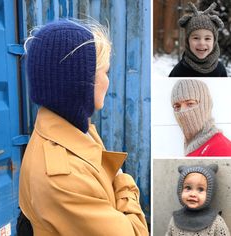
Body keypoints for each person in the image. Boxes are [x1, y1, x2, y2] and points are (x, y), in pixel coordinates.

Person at [19, 19, 149, 236]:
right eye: (105, 72)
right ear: (79, 83)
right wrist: (123, 181)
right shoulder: (63, 177)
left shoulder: (75, 130)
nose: (108, 82)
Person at [166, 164, 230, 236]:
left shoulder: (216, 221)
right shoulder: (175, 220)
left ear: (210, 192)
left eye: (200, 189)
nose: (193, 194)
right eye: (188, 188)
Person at [171, 79, 231, 156]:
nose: (182, 111)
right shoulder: (193, 145)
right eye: (177, 106)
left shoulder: (221, 148)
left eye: (190, 104)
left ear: (206, 105)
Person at [169, 2, 227, 77]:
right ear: (187, 41)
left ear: (214, 41)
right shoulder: (179, 71)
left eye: (207, 38)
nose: (202, 43)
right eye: (196, 38)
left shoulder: (220, 70)